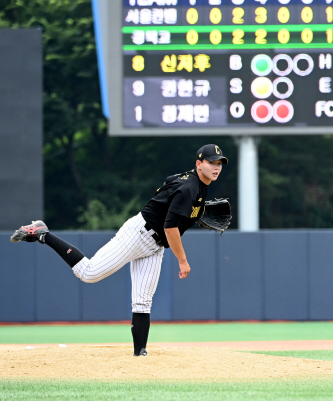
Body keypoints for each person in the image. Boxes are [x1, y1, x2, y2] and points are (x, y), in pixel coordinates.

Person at [10, 144, 228, 357]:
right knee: (89, 273)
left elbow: (168, 183)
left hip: (155, 246)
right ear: (199, 163)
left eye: (219, 163)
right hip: (139, 234)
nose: (216, 167)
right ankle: (42, 233)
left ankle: (139, 353)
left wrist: (190, 212)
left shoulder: (195, 183)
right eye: (211, 162)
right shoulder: (189, 188)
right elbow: (170, 228)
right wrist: (182, 260)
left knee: (143, 301)